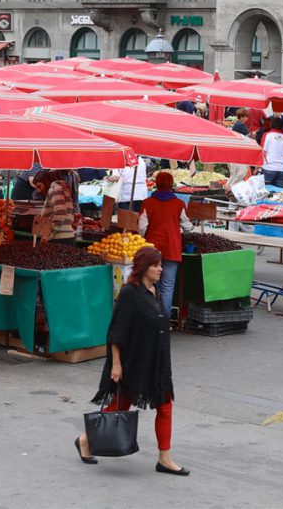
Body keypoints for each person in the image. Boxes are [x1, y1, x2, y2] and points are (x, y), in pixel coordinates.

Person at [75, 247, 188, 475]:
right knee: (121, 405)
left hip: (156, 361)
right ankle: (85, 439)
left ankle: (164, 458)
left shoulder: (153, 291)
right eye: (156, 265)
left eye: (160, 264)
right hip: (134, 361)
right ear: (144, 267)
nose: (160, 269)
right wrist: (116, 365)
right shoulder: (130, 293)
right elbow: (116, 332)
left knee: (165, 406)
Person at [139, 172, 194, 319]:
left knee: (149, 284)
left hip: (152, 249)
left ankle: (150, 319)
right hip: (172, 248)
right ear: (171, 185)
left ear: (156, 184)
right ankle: (165, 321)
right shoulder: (179, 204)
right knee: (167, 287)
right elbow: (188, 227)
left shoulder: (148, 203)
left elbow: (142, 227)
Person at [33, 170, 75, 244]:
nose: (39, 191)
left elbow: (60, 213)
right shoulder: (61, 188)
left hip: (59, 238)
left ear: (46, 181)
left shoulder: (55, 189)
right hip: (66, 236)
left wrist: (48, 233)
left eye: (39, 186)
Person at [261, 117, 283, 188]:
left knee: (266, 193)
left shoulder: (267, 135)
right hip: (281, 170)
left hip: (268, 168)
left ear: (271, 124)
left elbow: (262, 153)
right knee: (280, 195)